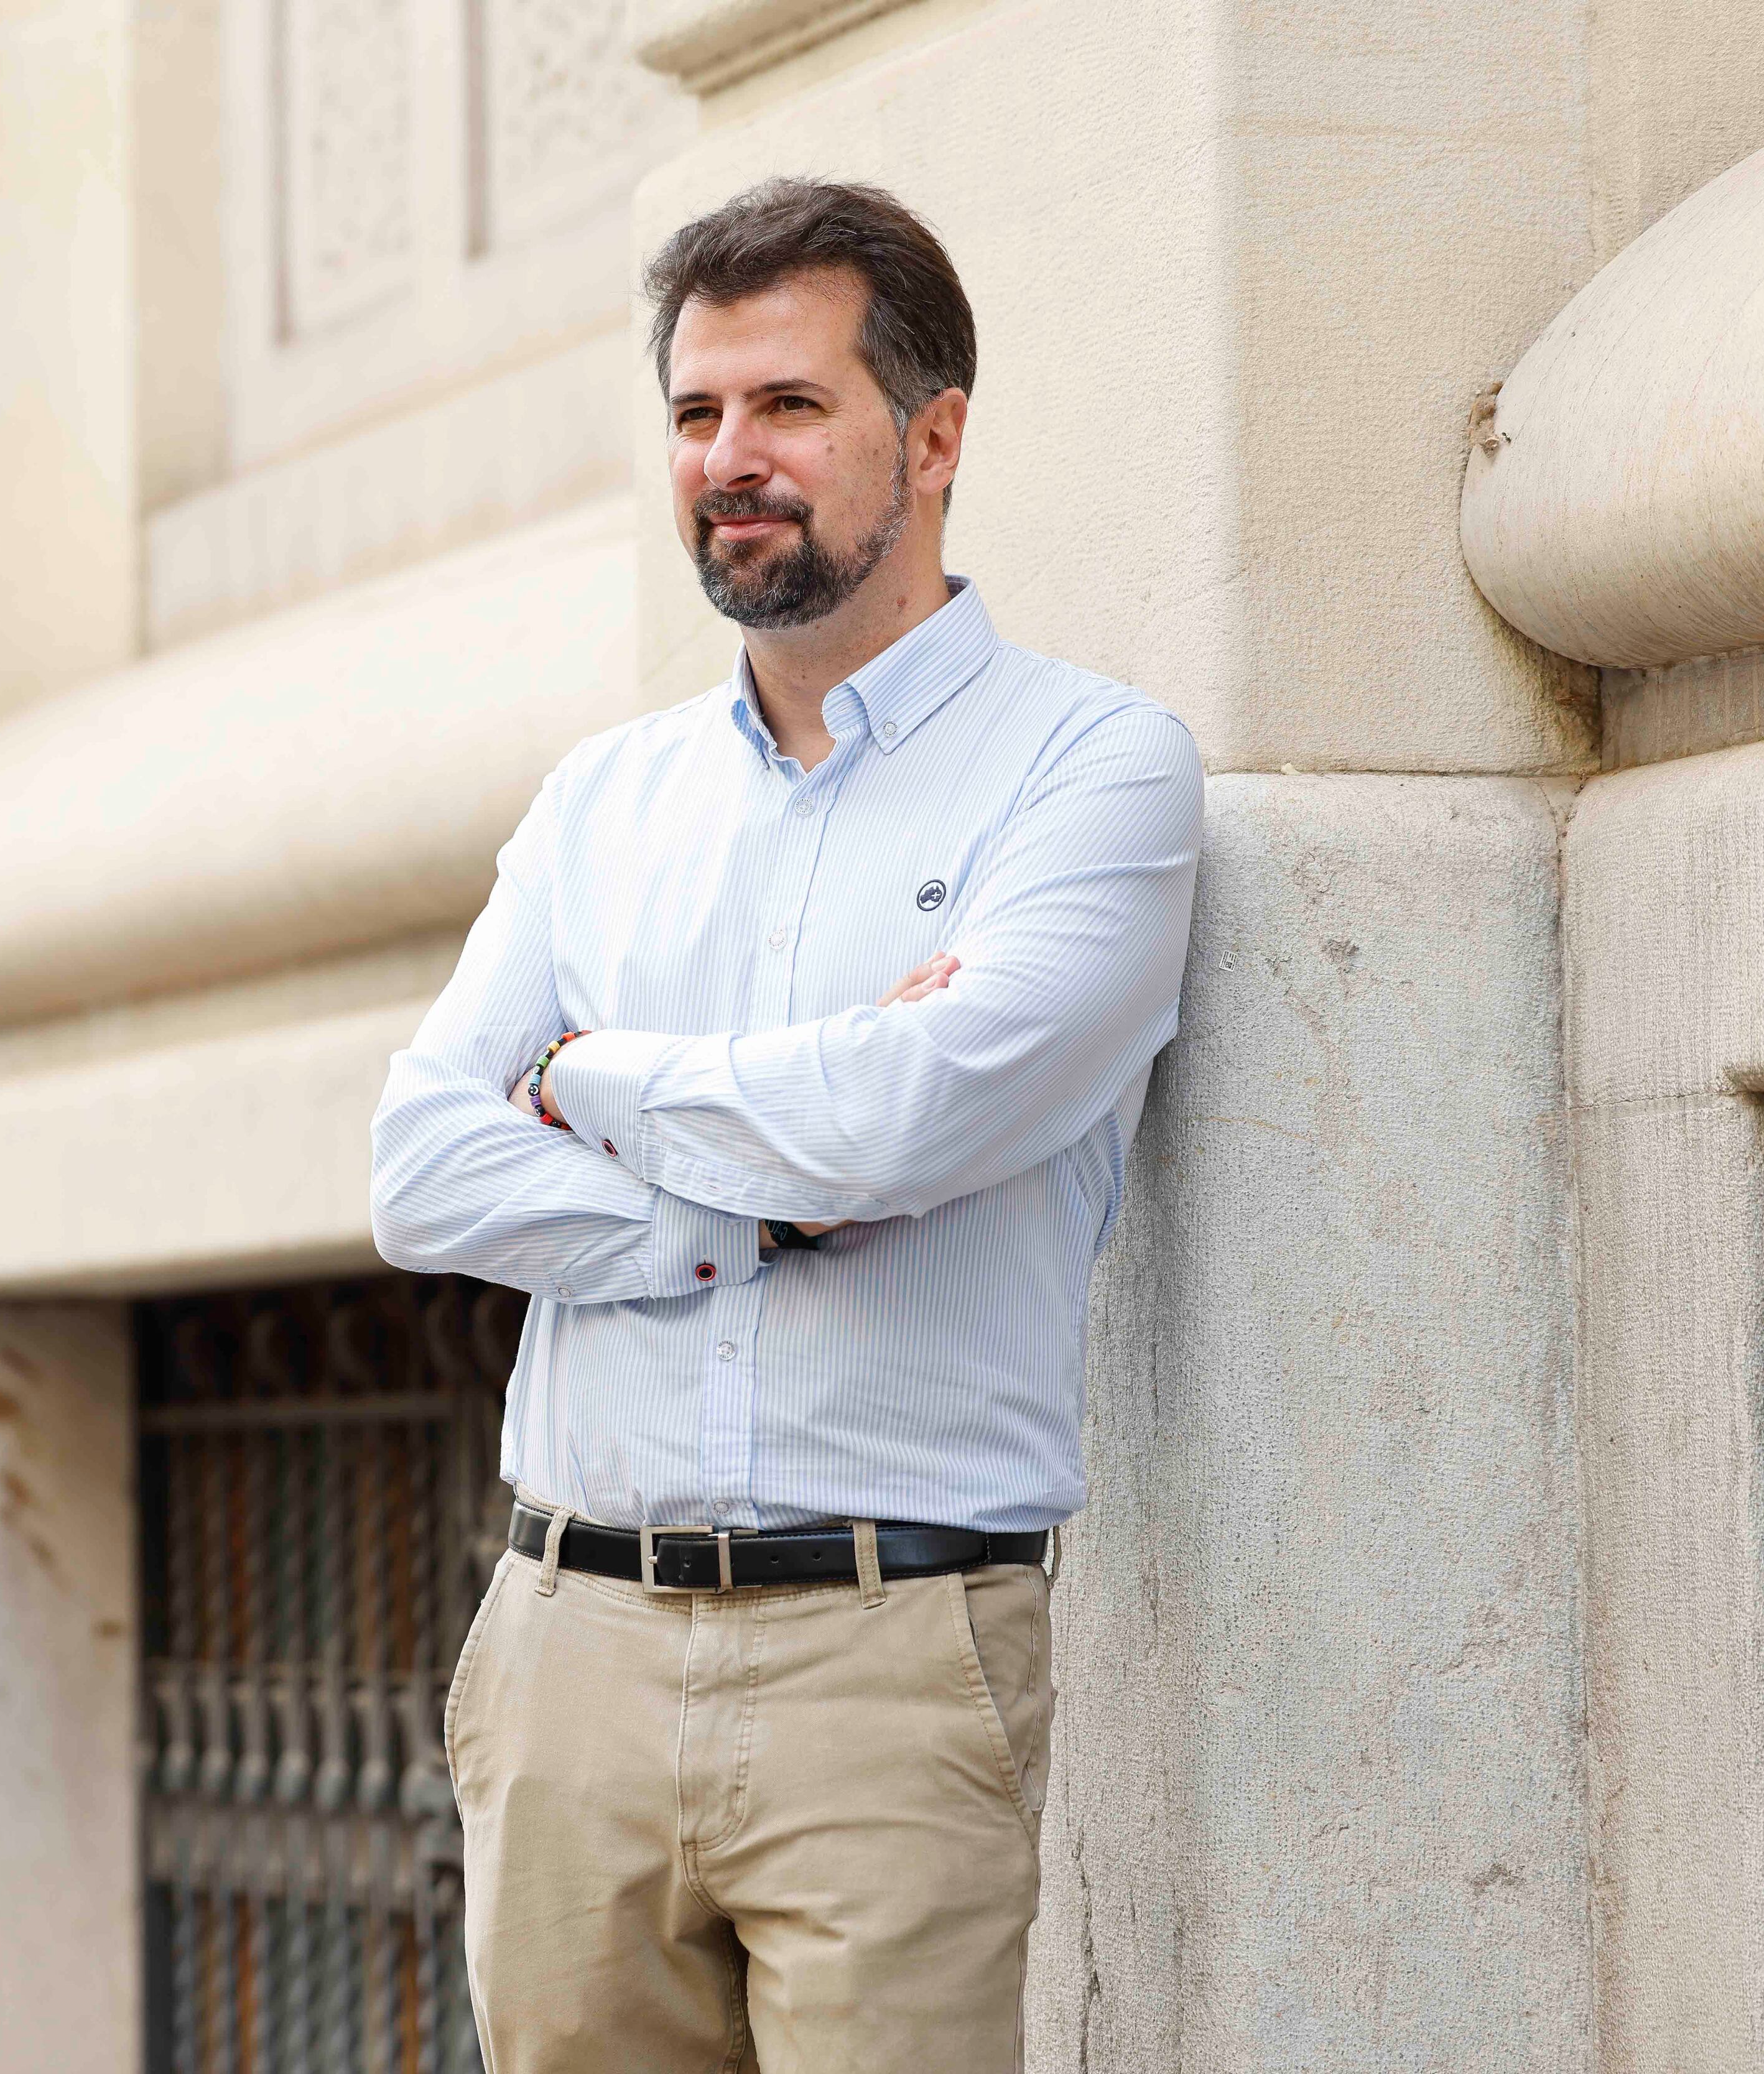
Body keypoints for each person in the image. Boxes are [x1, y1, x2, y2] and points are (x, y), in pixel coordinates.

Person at [367, 177, 1205, 2073]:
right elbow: (420, 1163)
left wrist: (586, 1079)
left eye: (788, 408)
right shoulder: (604, 801)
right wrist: (737, 1212)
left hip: (893, 1658)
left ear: (934, 437)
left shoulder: (1092, 769)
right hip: (567, 1643)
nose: (731, 460)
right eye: (695, 415)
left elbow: (902, 1124)